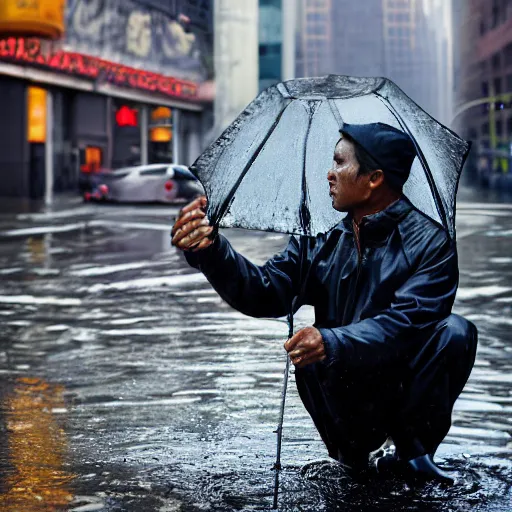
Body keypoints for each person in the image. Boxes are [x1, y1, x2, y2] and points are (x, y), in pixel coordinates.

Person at [171, 122, 478, 484]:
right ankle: (350, 454)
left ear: (374, 178)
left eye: (339, 163)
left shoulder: (431, 242)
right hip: (344, 387)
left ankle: (413, 452)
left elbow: (407, 324)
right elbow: (264, 291)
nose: (329, 174)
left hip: (401, 383)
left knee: (455, 332)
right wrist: (211, 252)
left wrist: (332, 341)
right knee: (310, 347)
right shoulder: (319, 240)